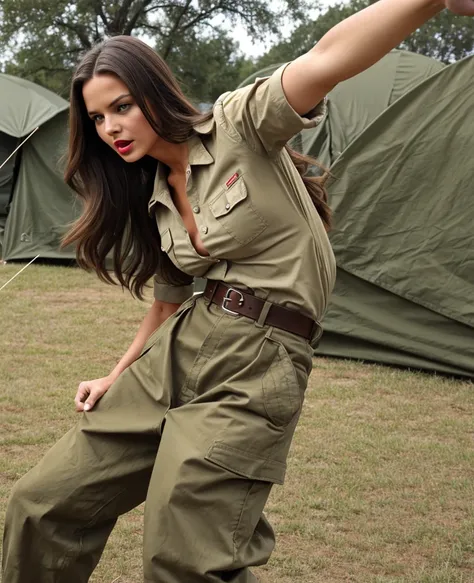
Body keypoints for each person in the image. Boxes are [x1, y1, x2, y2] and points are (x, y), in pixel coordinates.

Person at [3, 0, 472, 581]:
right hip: (177, 349)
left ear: (155, 92)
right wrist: (115, 374)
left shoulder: (239, 124)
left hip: (260, 362)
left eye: (121, 107)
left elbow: (328, 59)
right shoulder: (152, 192)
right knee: (40, 503)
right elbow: (166, 303)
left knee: (183, 554)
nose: (111, 129)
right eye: (98, 119)